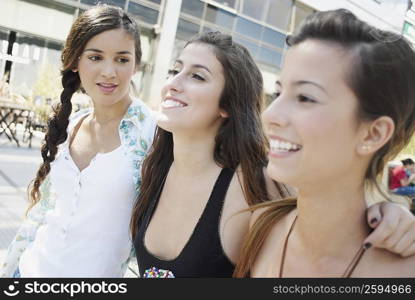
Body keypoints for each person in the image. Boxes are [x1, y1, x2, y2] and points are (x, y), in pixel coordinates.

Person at [131, 31, 415, 278]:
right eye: (175, 70)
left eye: (196, 76)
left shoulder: (256, 181)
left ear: (227, 105)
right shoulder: (153, 165)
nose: (173, 83)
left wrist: (389, 212)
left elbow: (329, 215)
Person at [234, 9, 415, 278]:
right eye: (278, 92)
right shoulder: (261, 227)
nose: (269, 115)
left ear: (373, 134)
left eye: (305, 98)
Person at [0, 5, 155, 277]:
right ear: (75, 62)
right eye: (96, 57)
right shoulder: (72, 124)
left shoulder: (154, 135)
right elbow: (44, 211)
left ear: (136, 65)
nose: (109, 72)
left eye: (122, 59)